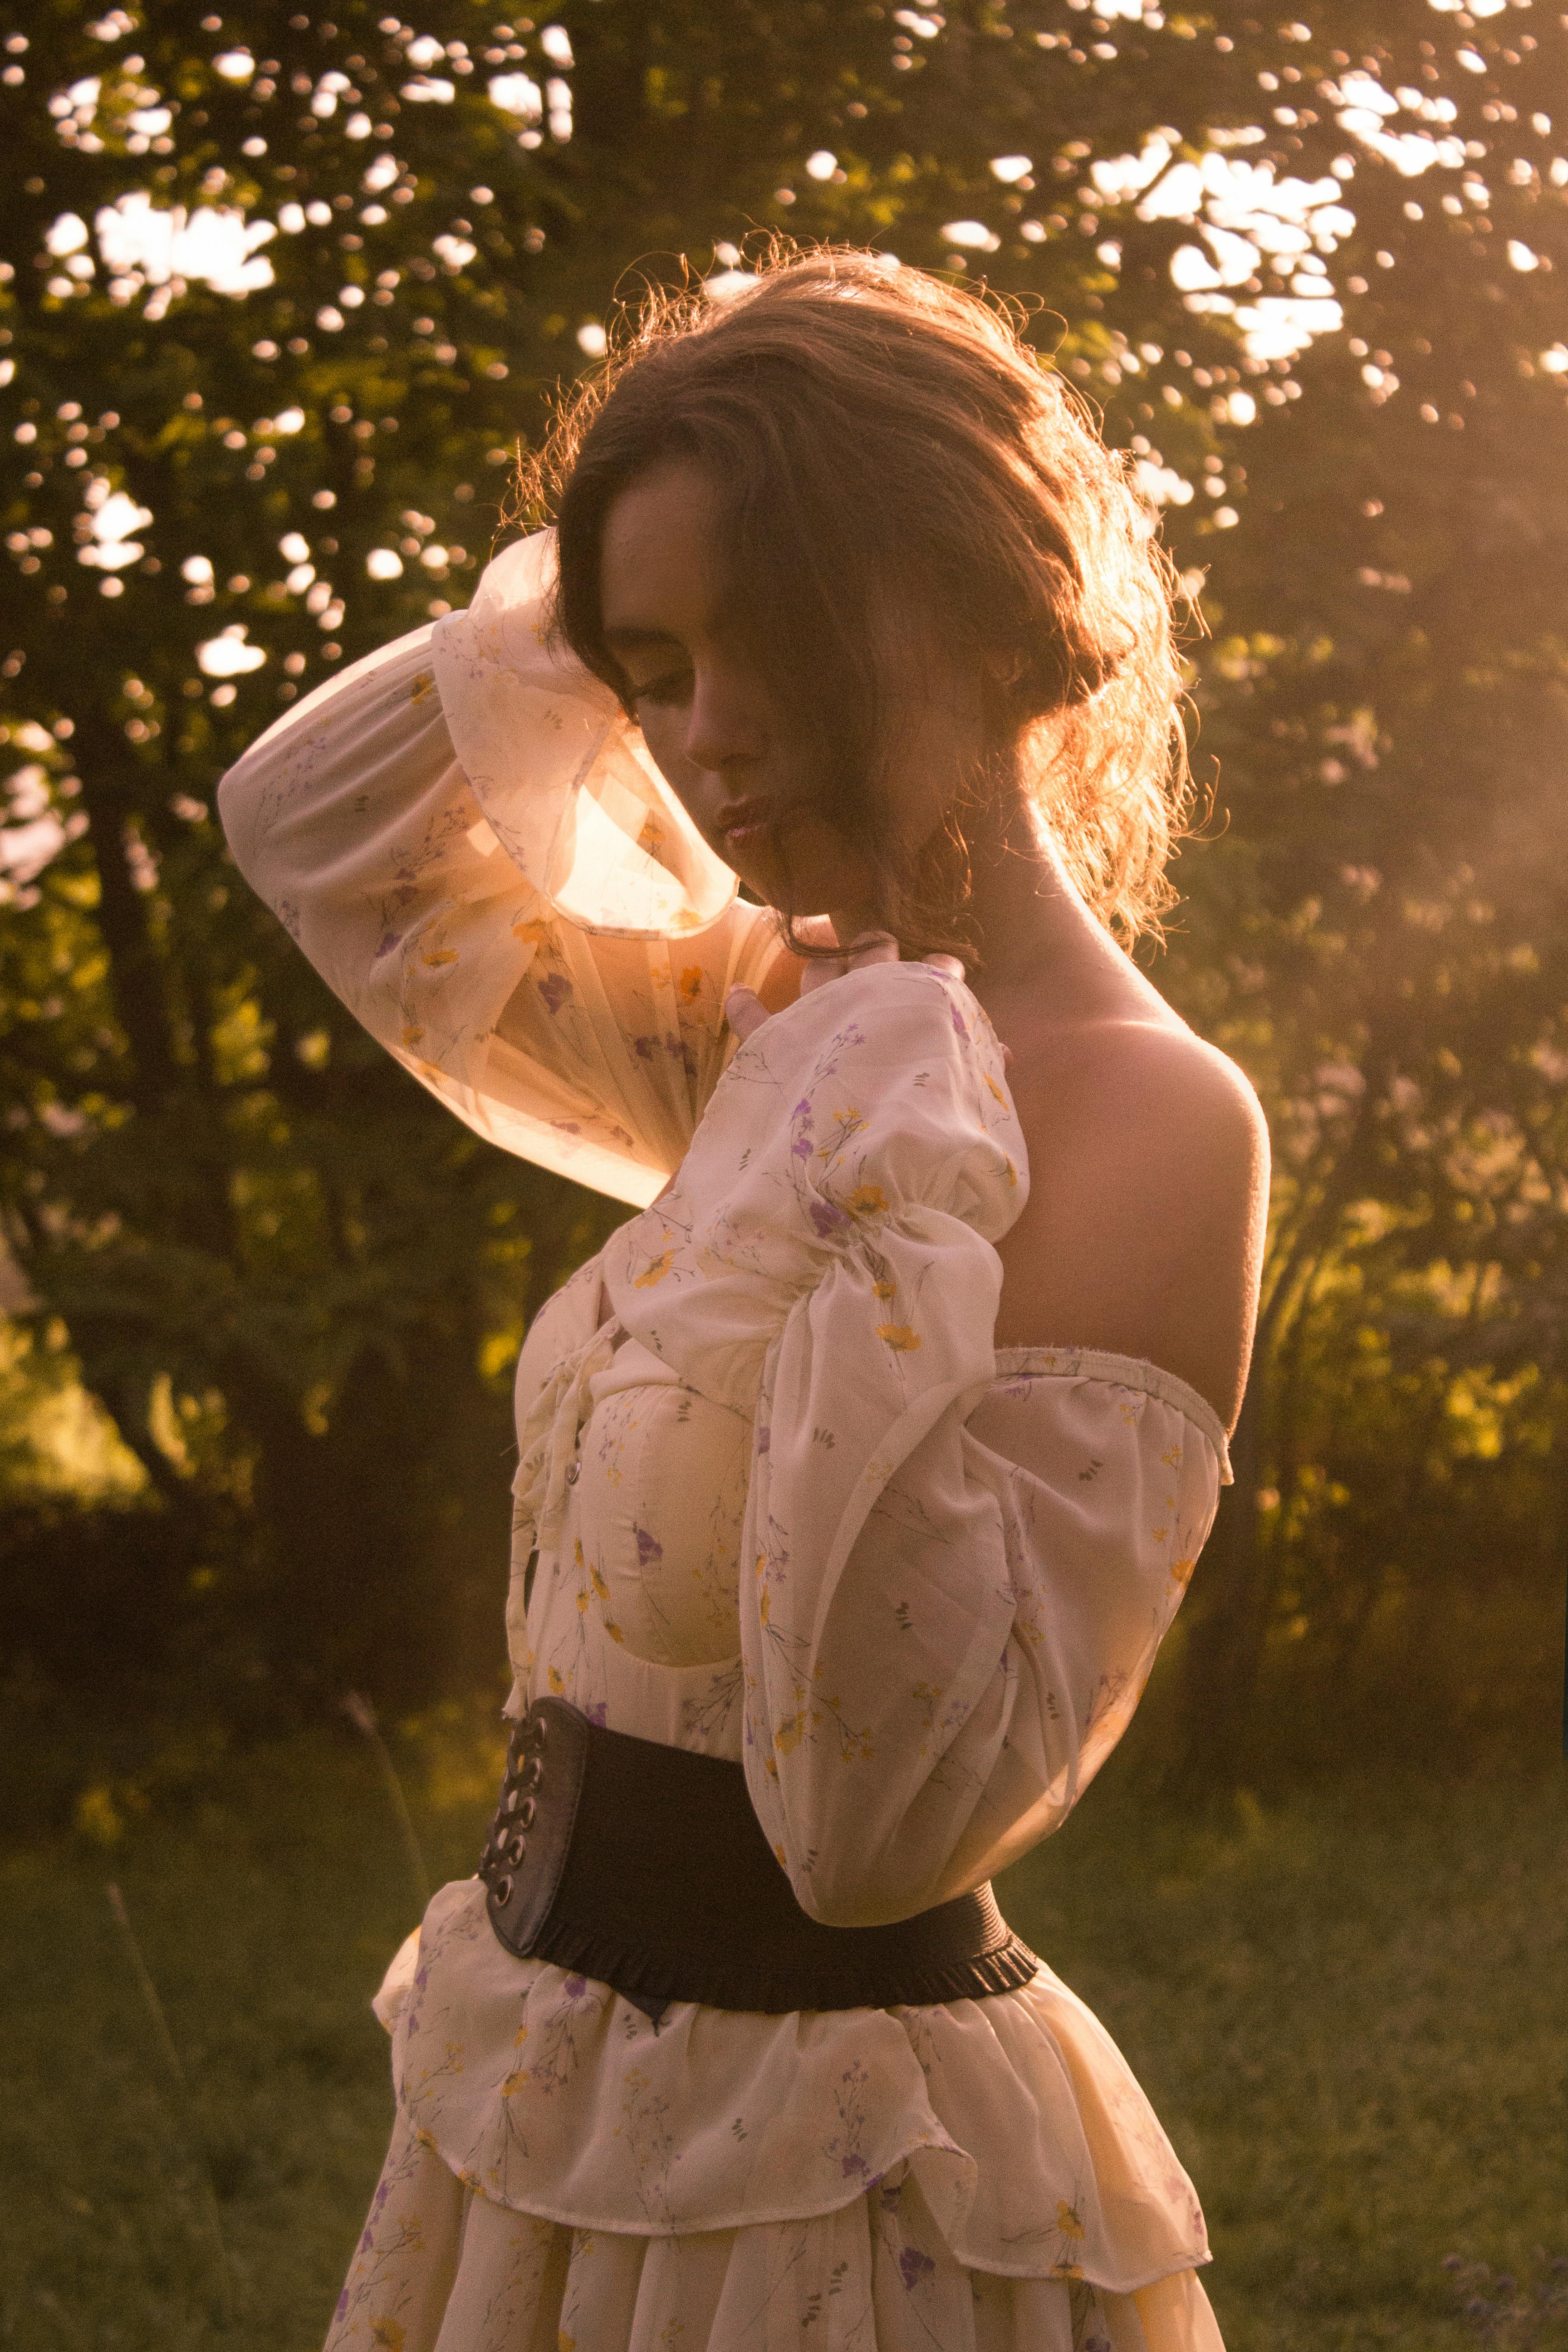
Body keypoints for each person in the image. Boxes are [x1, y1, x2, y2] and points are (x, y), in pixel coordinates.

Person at [219, 246, 1267, 2352]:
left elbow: (888, 1816)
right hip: (547, 2107)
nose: (709, 738)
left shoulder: (1150, 1119)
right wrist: (618, 534)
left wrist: (882, 1180)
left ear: (987, 597)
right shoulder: (762, 1015)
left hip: (833, 2195)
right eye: (654, 672)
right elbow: (316, 822)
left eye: (766, 634)